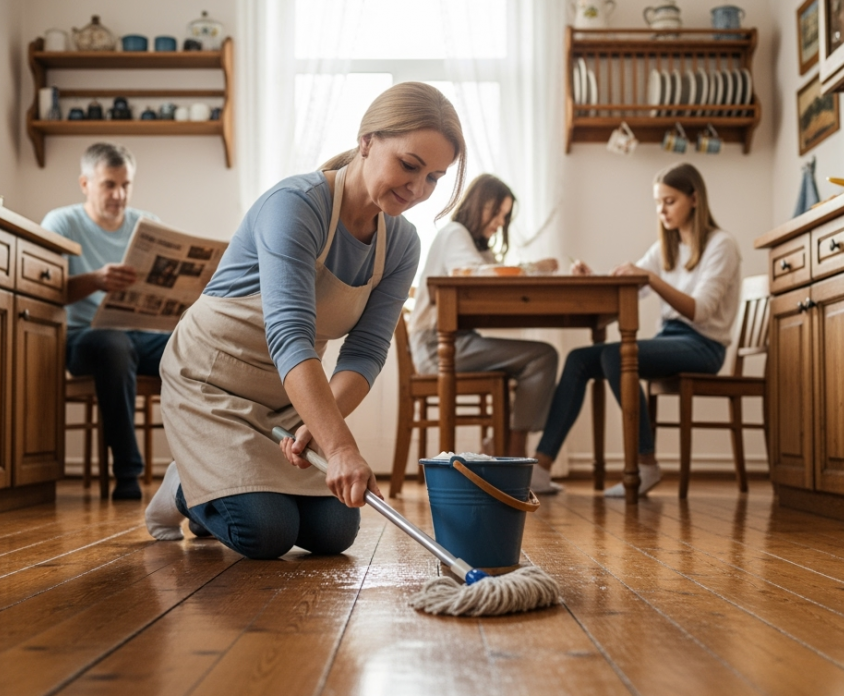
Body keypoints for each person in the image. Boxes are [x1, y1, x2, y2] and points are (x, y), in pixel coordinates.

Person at [144, 82, 465, 557]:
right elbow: (290, 333)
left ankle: (220, 483)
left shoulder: (401, 244)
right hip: (210, 383)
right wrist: (339, 449)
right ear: (367, 141)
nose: (417, 190)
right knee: (265, 532)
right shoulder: (295, 205)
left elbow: (366, 351)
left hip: (289, 397)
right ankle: (185, 487)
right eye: (409, 166)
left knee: (333, 532)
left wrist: (322, 424)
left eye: (434, 178)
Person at [534, 163, 741, 497]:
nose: (662, 210)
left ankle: (646, 466)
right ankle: (541, 469)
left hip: (705, 345)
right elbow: (631, 285)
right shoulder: (665, 250)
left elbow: (700, 310)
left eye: (670, 201)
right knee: (578, 359)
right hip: (670, 339)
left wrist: (652, 278)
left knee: (618, 356)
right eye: (658, 202)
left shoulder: (722, 245)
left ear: (695, 199)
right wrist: (594, 277)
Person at [407, 174, 561, 491]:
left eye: (505, 217)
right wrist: (535, 269)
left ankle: (504, 443)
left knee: (536, 357)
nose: (499, 223)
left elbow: (489, 275)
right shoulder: (455, 233)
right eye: (498, 214)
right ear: (482, 205)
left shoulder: (470, 243)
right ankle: (512, 450)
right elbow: (478, 276)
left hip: (453, 342)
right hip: (439, 346)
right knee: (542, 356)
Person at [43, 142, 166, 501]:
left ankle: (201, 475)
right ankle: (127, 474)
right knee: (114, 345)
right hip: (85, 340)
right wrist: (95, 280)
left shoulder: (147, 224)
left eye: (126, 185)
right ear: (85, 184)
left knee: (191, 346)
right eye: (109, 185)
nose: (119, 194)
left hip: (140, 336)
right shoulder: (61, 222)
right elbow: (43, 289)